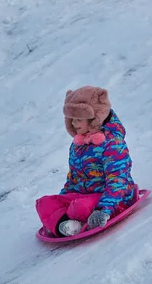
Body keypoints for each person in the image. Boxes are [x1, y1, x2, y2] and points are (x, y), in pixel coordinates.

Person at [36, 85, 136, 237]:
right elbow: (74, 179)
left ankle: (71, 220)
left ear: (94, 119)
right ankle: (65, 225)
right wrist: (61, 203)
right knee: (44, 203)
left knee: (79, 207)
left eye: (78, 119)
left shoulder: (112, 143)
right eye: (71, 119)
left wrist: (104, 209)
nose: (74, 124)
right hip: (82, 197)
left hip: (113, 200)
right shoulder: (78, 144)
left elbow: (118, 180)